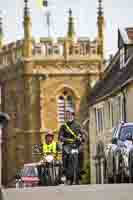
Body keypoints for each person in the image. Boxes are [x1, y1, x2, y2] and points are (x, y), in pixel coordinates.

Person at [58, 107, 85, 182]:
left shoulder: (78, 125)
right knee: (65, 154)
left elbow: (82, 134)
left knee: (81, 152)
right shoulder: (63, 126)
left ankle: (81, 169)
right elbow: (60, 137)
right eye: (67, 114)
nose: (68, 116)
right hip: (67, 145)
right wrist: (65, 139)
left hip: (77, 145)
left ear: (73, 115)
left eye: (69, 114)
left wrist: (82, 138)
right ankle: (64, 170)